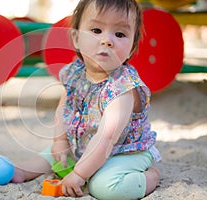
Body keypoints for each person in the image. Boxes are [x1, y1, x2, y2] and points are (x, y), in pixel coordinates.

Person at [11, 0, 161, 199]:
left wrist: (80, 174)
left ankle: (150, 177)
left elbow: (106, 138)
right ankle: (23, 170)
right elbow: (64, 106)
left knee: (104, 187)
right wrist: (60, 140)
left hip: (123, 152)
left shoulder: (123, 88)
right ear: (76, 38)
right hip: (83, 145)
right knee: (54, 156)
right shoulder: (76, 72)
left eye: (120, 34)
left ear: (132, 49)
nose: (107, 40)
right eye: (96, 30)